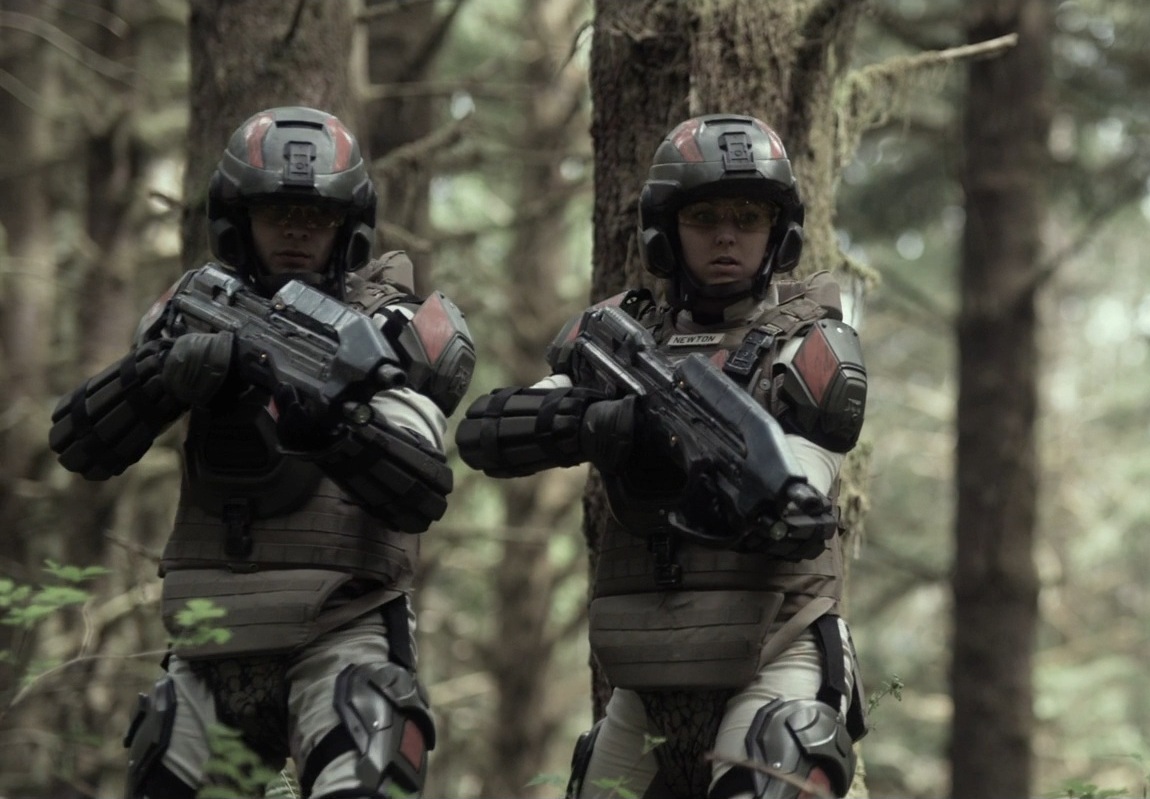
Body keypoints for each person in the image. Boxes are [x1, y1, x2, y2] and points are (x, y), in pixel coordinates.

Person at [48, 106, 475, 799]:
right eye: (277, 212)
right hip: (210, 640)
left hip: (342, 631)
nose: (296, 230)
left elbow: (421, 486)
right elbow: (79, 444)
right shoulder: (198, 307)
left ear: (348, 224)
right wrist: (160, 377)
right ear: (238, 218)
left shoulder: (393, 326)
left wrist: (335, 426)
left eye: (316, 215)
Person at [456, 113, 869, 799]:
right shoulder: (622, 341)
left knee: (781, 760)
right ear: (666, 230)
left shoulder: (808, 343)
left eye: (748, 217)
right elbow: (487, 432)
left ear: (779, 231)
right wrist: (606, 423)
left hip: (776, 655)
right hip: (648, 677)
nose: (727, 235)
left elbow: (797, 494)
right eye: (704, 217)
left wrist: (714, 470)